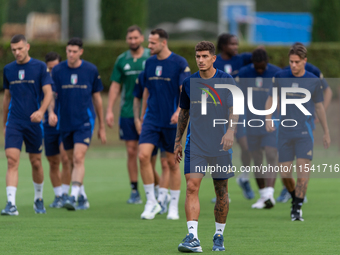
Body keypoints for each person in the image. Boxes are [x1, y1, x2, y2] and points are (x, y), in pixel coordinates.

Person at [175, 41, 237, 252]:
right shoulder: (189, 82)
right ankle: (193, 237)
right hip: (196, 145)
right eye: (197, 57)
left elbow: (234, 108)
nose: (200, 60)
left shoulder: (226, 80)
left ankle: (219, 235)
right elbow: (184, 113)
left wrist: (230, 131)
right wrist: (178, 141)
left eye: (204, 56)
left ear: (213, 58)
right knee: (192, 187)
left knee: (221, 191)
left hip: (220, 146)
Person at [265, 44, 330, 221]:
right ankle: (296, 199)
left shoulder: (313, 80)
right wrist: (268, 117)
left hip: (304, 132)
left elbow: (319, 107)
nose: (293, 65)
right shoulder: (280, 77)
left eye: (297, 62)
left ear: (304, 61)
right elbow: (272, 97)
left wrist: (326, 132)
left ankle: (297, 209)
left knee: (303, 173)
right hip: (284, 132)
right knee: (285, 174)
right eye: (291, 62)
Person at [138, 28, 190, 220]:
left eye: (152, 43)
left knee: (172, 164)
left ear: (163, 43)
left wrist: (178, 111)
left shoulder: (179, 63)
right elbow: (146, 91)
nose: (148, 46)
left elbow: (184, 90)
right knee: (143, 156)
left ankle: (173, 207)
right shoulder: (149, 63)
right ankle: (151, 202)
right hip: (151, 119)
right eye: (148, 42)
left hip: (171, 121)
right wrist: (142, 115)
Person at [52, 37, 106, 211]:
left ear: (81, 52)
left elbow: (97, 99)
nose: (71, 54)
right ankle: (82, 196)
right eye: (69, 51)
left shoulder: (90, 70)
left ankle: (73, 197)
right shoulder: (58, 70)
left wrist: (102, 126)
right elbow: (52, 95)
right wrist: (51, 112)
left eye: (75, 51)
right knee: (69, 160)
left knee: (78, 158)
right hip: (65, 122)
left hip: (84, 122)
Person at [1, 34, 53, 215]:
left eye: (20, 49)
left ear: (27, 47)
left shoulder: (39, 67)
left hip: (34, 123)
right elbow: (7, 97)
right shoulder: (8, 69)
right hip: (14, 122)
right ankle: (11, 204)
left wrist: (41, 112)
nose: (17, 52)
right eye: (13, 50)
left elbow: (48, 93)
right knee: (11, 160)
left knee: (36, 162)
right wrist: (4, 123)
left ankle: (38, 198)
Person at [106, 25, 150, 204]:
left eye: (135, 38)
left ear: (142, 39)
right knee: (132, 151)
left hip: (149, 113)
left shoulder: (150, 57)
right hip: (127, 113)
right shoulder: (121, 60)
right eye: (130, 38)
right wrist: (109, 109)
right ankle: (134, 190)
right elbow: (116, 86)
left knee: (148, 154)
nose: (133, 41)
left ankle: (155, 190)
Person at [236, 48, 281, 209]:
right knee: (256, 159)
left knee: (270, 154)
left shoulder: (277, 73)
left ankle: (269, 193)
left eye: (262, 66)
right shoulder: (244, 73)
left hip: (271, 122)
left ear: (267, 62)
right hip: (251, 122)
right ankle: (263, 196)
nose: (260, 69)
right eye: (257, 67)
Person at [212, 33, 253, 201]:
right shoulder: (215, 63)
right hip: (219, 113)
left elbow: (260, 57)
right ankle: (221, 190)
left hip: (238, 111)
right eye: (232, 44)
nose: (236, 47)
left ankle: (244, 178)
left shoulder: (242, 60)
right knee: (219, 152)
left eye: (237, 44)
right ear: (223, 46)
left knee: (246, 147)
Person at [133, 71, 171, 213]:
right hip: (152, 123)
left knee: (166, 163)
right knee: (145, 159)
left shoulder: (174, 68)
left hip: (168, 124)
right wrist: (139, 118)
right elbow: (141, 96)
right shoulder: (145, 74)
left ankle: (161, 198)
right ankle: (153, 197)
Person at [43, 52, 73, 208]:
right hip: (48, 126)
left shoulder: (66, 78)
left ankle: (68, 193)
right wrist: (48, 113)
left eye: (55, 67)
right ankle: (58, 196)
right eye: (50, 68)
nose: (52, 71)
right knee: (53, 162)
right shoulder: (43, 79)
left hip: (65, 124)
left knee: (66, 159)